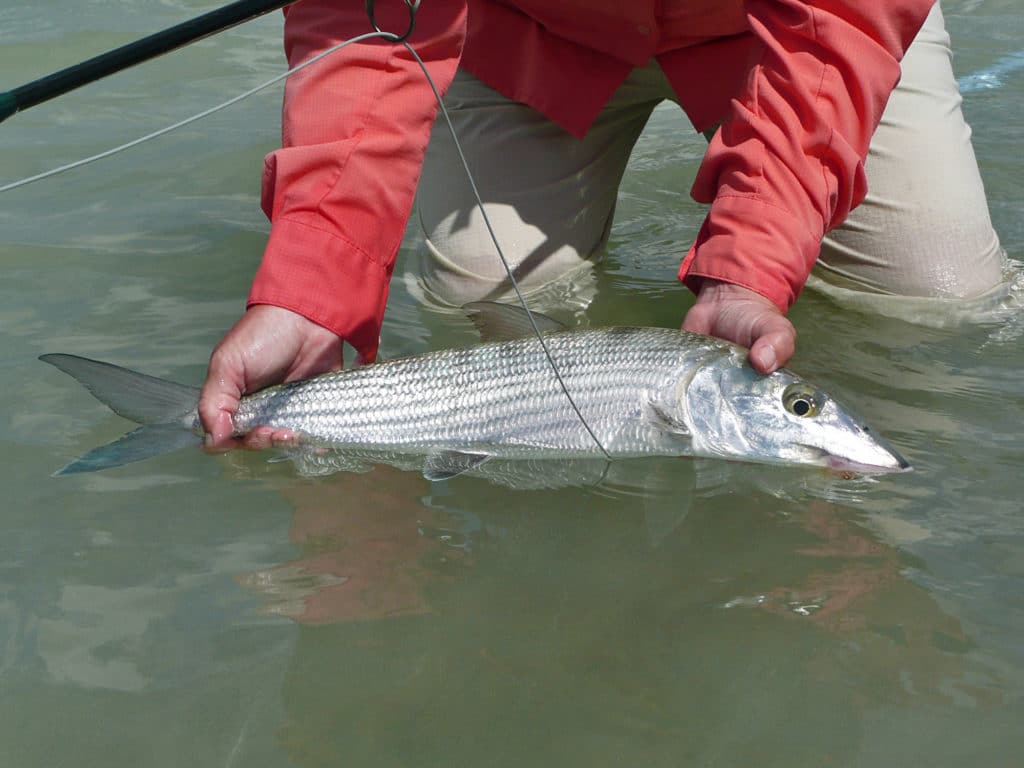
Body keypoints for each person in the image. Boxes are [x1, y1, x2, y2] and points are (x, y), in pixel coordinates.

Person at [200, 0, 1006, 449]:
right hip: (532, 33)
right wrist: (310, 286)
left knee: (945, 297)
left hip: (795, 35)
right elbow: (361, 15)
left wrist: (751, 264)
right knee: (475, 296)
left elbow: (837, 20)